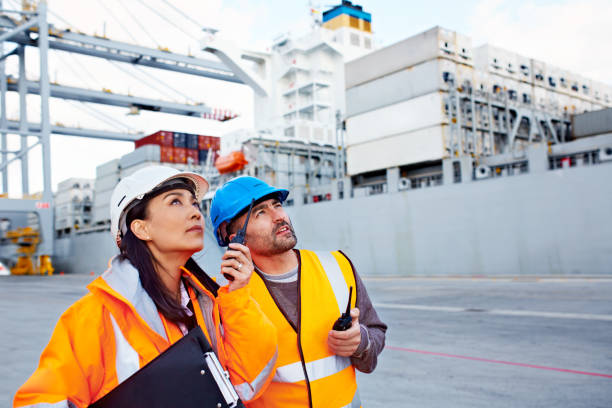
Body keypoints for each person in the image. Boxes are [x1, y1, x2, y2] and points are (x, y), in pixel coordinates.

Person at [14, 166, 278, 408]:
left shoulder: (209, 302)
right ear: (140, 228)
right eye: (175, 201)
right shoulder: (95, 317)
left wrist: (239, 294)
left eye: (194, 202)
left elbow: (246, 385)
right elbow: (39, 401)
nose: (196, 211)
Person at [210, 176, 387, 408]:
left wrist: (360, 341)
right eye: (260, 212)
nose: (279, 216)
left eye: (277, 205)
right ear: (235, 239)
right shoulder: (223, 297)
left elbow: (375, 333)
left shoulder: (338, 266)